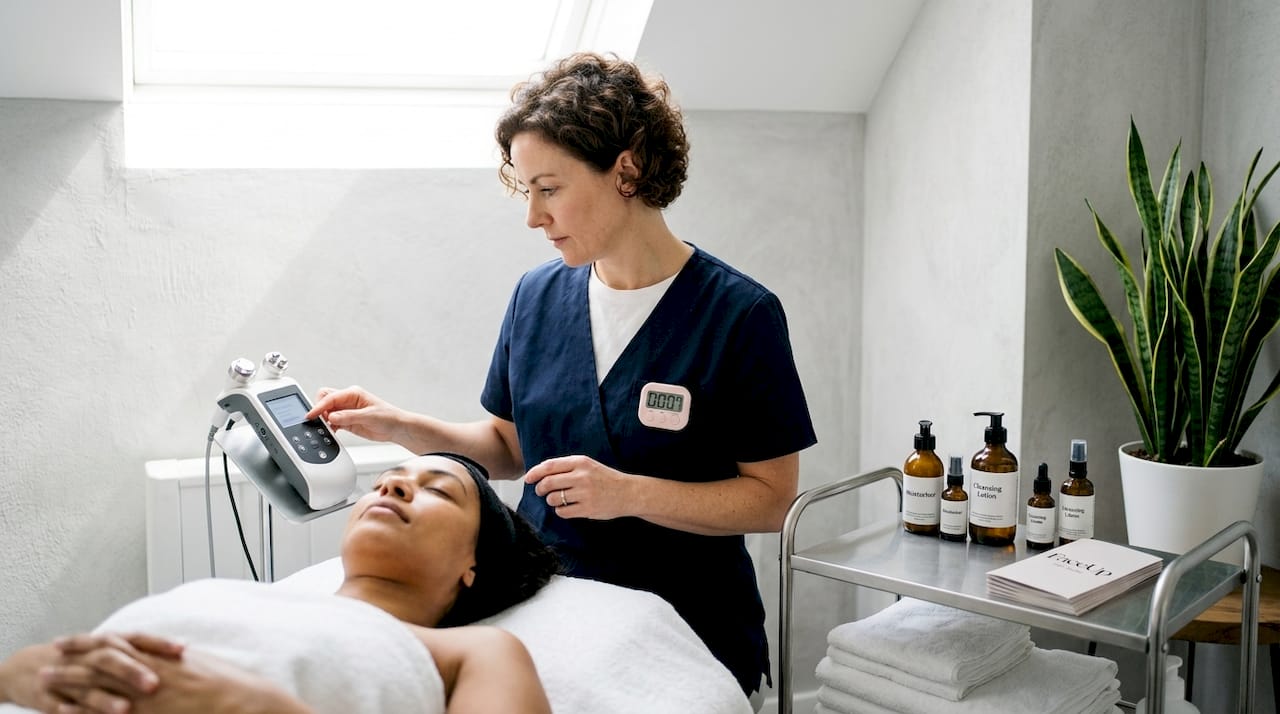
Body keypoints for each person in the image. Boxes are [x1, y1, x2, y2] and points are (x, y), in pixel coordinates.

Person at [307, 52, 817, 698]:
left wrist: (629, 494)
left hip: (686, 644)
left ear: (625, 171)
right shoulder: (536, 297)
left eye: (549, 189)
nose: (533, 216)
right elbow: (509, 448)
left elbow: (772, 499)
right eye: (527, 192)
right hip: (553, 627)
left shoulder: (739, 316)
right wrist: (397, 425)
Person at [0, 453, 561, 714]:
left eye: (438, 490)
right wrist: (27, 676)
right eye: (387, 481)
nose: (390, 489)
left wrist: (256, 708)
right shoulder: (236, 595)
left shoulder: (472, 651)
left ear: (475, 564)